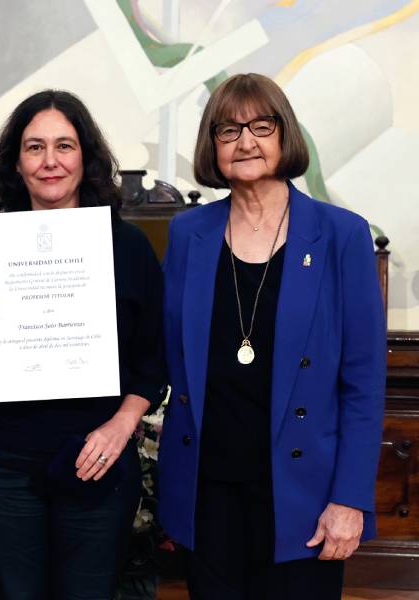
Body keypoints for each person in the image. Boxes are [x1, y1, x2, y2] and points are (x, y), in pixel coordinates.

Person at [157, 73, 386, 599]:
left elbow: (364, 385)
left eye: (262, 125)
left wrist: (350, 500)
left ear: (286, 136)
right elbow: (166, 353)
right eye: (228, 129)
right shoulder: (189, 234)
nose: (245, 141)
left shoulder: (341, 235)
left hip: (305, 497)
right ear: (211, 146)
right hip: (206, 493)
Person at [0, 89, 166, 599]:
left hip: (97, 456)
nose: (50, 161)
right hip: (3, 463)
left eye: (64, 146)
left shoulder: (128, 247)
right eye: (34, 147)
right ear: (15, 163)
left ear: (85, 157)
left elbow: (153, 360)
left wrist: (120, 426)